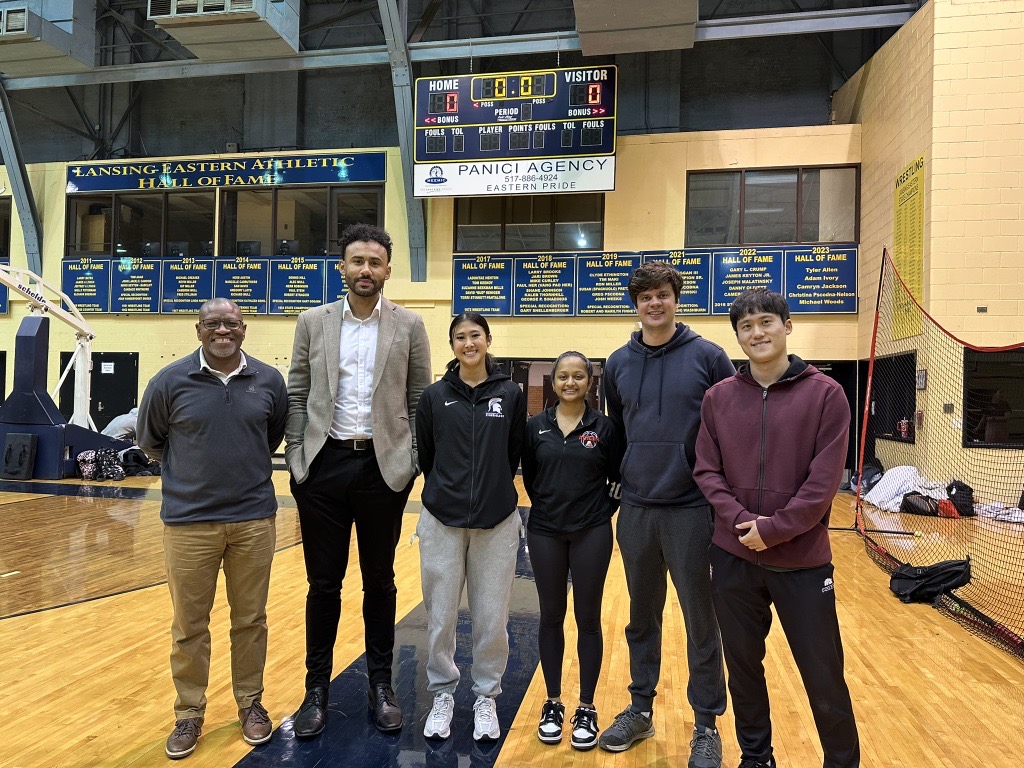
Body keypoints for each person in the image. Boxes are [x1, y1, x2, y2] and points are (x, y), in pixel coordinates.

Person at [694, 288, 860, 768]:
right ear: (738, 338)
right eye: (746, 326)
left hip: (803, 562)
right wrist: (743, 523)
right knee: (743, 670)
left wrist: (776, 530)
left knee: (824, 674)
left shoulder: (826, 394)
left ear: (787, 327)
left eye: (766, 322)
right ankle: (756, 757)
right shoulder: (718, 398)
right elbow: (707, 471)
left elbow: (824, 483)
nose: (757, 332)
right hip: (734, 556)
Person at [285, 223, 431, 737]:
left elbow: (419, 400)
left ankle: (381, 684)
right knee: (323, 583)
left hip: (382, 470)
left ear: (388, 269)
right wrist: (297, 459)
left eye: (375, 262)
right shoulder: (312, 321)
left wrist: (410, 460)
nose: (366, 270)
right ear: (341, 268)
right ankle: (315, 690)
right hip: (321, 466)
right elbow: (297, 391)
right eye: (357, 261)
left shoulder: (410, 325)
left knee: (380, 581)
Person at [137, 298, 287, 760]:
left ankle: (250, 704)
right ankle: (188, 713)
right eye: (213, 324)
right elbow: (150, 441)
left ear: (245, 328)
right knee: (189, 626)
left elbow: (272, 435)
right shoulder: (169, 381)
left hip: (253, 521)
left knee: (250, 620)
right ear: (198, 328)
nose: (223, 330)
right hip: (188, 524)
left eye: (232, 323)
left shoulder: (268, 381)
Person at [599, 261, 733, 767]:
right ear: (635, 304)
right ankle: (639, 709)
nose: (654, 304)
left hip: (692, 510)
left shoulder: (709, 356)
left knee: (701, 620)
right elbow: (617, 430)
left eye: (662, 295)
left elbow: (731, 426)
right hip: (636, 508)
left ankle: (706, 725)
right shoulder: (616, 363)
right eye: (645, 297)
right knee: (640, 617)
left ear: (676, 298)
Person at [415, 313, 527, 743]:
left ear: (487, 340)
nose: (468, 343)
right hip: (442, 521)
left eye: (474, 335)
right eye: (460, 337)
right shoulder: (434, 396)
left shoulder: (511, 394)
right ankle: (443, 693)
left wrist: (493, 490)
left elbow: (513, 452)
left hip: (496, 522)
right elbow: (428, 455)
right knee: (440, 617)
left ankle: (486, 697)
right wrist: (448, 490)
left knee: (491, 620)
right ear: (452, 344)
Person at [521, 351, 623, 751]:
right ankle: (553, 702)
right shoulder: (535, 427)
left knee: (588, 618)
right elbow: (529, 476)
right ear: (553, 381)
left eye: (578, 376)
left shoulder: (606, 428)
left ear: (590, 382)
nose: (569, 383)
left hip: (591, 533)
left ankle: (586, 707)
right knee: (550, 616)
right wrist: (547, 507)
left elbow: (617, 478)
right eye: (562, 376)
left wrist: (598, 513)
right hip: (545, 531)